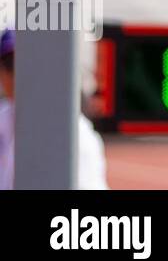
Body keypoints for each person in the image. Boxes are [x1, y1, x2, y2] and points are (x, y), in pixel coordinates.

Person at [0, 28, 109, 189]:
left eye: (29, 62)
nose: (20, 74)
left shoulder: (74, 133)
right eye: (11, 65)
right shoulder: (4, 118)